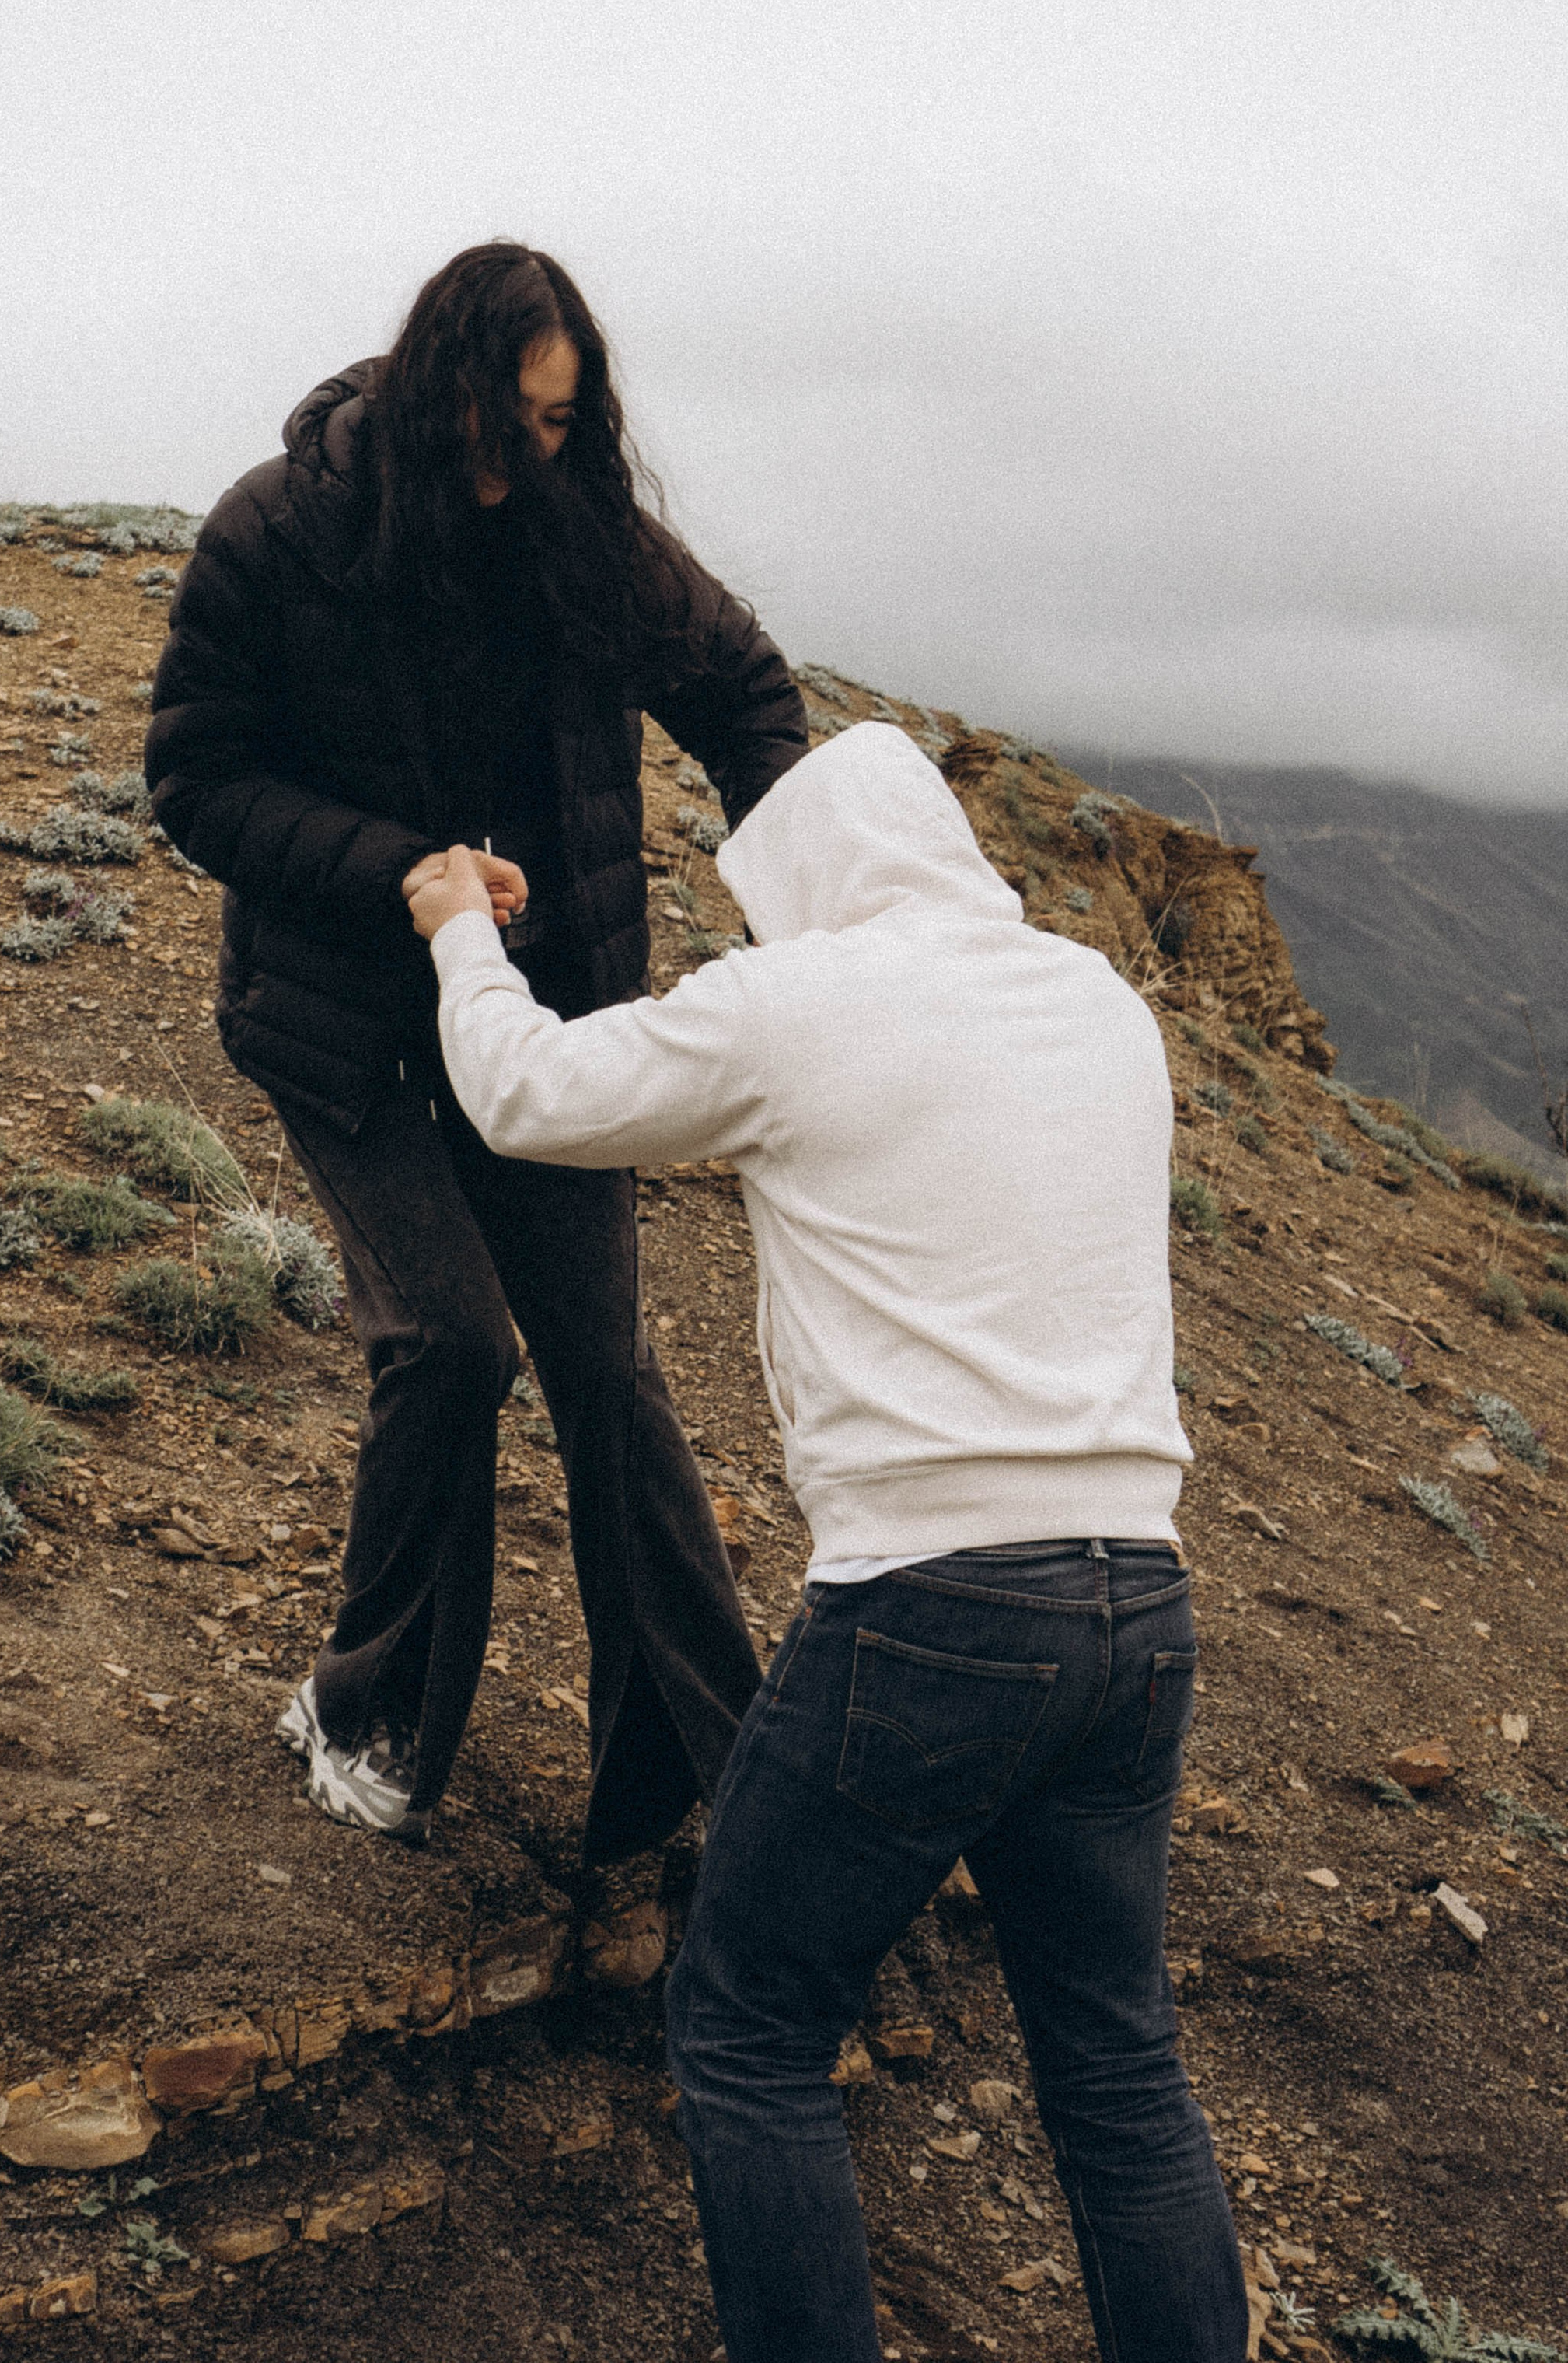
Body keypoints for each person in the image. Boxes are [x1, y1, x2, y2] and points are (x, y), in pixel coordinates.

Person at [404, 720, 1248, 2363]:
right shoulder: (1096, 1004)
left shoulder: (802, 1001)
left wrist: (458, 928)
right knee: (1115, 2063)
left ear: (801, 882)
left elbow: (522, 1094)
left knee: (746, 2029)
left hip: (933, 1609)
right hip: (1136, 1601)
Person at [145, 240, 807, 1862]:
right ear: (435, 389)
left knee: (606, 1375)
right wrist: (401, 872)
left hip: (554, 1026)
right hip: (350, 1026)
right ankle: (357, 1704)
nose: (527, 460)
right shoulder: (280, 532)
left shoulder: (589, 536)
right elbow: (195, 777)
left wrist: (817, 887)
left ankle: (712, 1775)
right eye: (504, 425)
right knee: (450, 1347)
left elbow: (744, 691)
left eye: (561, 425)